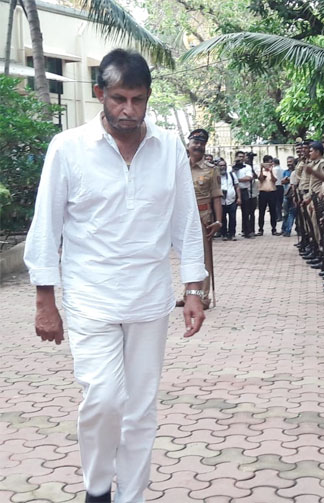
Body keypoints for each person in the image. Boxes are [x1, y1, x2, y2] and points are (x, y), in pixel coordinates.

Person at [23, 49, 207, 503]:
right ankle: (98, 488)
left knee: (140, 408)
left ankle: (131, 497)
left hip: (150, 298)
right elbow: (46, 224)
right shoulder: (67, 148)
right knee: (103, 399)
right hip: (90, 297)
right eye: (119, 99)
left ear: (149, 97)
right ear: (100, 94)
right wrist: (45, 299)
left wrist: (194, 287)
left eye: (138, 100)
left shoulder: (168, 150)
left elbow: (186, 221)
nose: (129, 110)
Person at [178, 129, 222, 310]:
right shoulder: (179, 167)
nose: (198, 146)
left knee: (204, 258)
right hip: (183, 216)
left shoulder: (211, 170)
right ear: (188, 145)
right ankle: (188, 295)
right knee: (185, 256)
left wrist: (218, 221)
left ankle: (203, 297)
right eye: (195, 143)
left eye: (201, 144)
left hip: (203, 216)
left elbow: (217, 197)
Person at [233, 151, 256, 238]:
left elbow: (249, 178)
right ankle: (231, 232)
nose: (241, 158)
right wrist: (235, 167)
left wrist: (236, 180)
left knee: (246, 212)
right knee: (232, 212)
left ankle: (247, 232)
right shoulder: (231, 167)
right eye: (239, 156)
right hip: (233, 190)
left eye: (242, 156)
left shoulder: (247, 167)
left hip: (244, 190)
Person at [219, 157, 241, 241]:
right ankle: (224, 234)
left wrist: (239, 198)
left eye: (224, 165)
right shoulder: (216, 175)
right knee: (222, 218)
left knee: (232, 218)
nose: (222, 167)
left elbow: (237, 186)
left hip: (231, 200)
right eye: (220, 166)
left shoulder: (231, 174)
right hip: (221, 201)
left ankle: (232, 234)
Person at [257, 154, 279, 235]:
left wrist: (271, 171)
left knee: (273, 211)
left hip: (272, 192)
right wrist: (261, 169)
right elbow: (260, 179)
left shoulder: (274, 170)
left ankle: (274, 229)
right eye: (268, 163)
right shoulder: (260, 170)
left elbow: (274, 180)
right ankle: (260, 229)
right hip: (263, 192)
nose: (269, 164)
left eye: (271, 163)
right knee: (261, 212)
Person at [282, 156, 297, 236]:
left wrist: (289, 179)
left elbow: (294, 182)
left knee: (292, 213)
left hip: (294, 195)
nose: (289, 164)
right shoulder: (285, 172)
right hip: (286, 195)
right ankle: (284, 229)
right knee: (286, 213)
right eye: (288, 162)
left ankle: (288, 230)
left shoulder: (297, 171)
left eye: (291, 162)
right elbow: (282, 181)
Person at [273, 157, 284, 223]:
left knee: (276, 202)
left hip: (275, 186)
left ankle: (278, 216)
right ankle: (280, 216)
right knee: (280, 202)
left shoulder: (274, 169)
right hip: (281, 186)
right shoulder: (282, 169)